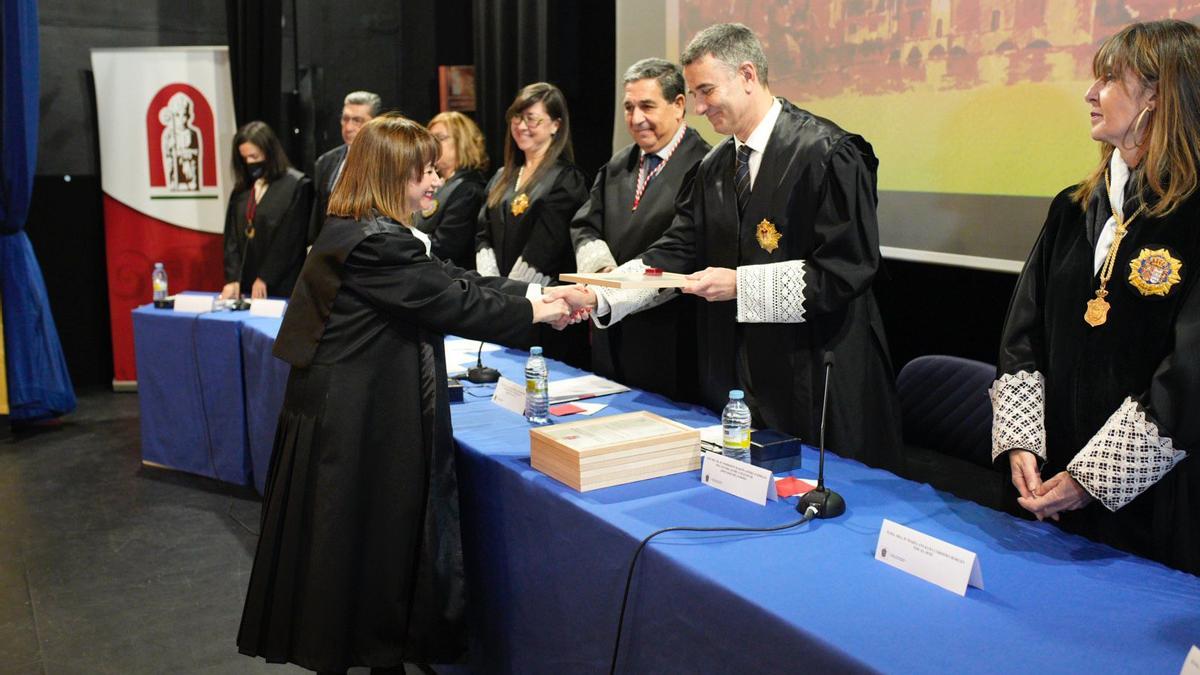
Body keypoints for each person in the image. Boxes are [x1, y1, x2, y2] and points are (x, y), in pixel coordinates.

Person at [236, 114, 570, 673]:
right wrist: (542, 308)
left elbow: (452, 279)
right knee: (357, 551)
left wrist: (542, 292)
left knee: (354, 552)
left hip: (349, 416)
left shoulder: (363, 229)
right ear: (392, 176)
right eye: (425, 173)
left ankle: (370, 649)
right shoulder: (376, 243)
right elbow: (456, 301)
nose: (436, 182)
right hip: (354, 426)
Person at [550, 24, 903, 470]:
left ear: (748, 76)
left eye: (705, 91)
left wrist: (741, 285)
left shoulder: (827, 153)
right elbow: (674, 252)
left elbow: (846, 270)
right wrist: (597, 293)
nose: (697, 108)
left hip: (818, 375)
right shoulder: (715, 167)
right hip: (741, 380)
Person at [991, 19, 1200, 574]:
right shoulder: (1072, 207)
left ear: (1157, 96)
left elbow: (1190, 377)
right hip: (1050, 492)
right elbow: (1022, 336)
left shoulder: (1194, 219)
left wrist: (1094, 479)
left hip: (1159, 508)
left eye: (1108, 78)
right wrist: (1022, 447)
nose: (1089, 93)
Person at [569, 58, 710, 400]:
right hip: (610, 337)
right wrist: (604, 272)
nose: (635, 119)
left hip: (671, 344)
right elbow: (585, 224)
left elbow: (682, 248)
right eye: (629, 107)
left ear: (679, 105)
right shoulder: (618, 164)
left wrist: (615, 289)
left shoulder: (705, 166)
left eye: (647, 106)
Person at [476, 82, 589, 366]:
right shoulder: (503, 176)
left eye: (532, 119)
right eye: (517, 117)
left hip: (545, 310)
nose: (521, 126)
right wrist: (489, 285)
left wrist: (507, 299)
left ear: (555, 125)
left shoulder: (566, 179)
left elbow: (545, 248)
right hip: (504, 305)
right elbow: (482, 232)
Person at [221, 121, 313, 300]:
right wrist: (233, 279)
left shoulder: (296, 185)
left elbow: (290, 240)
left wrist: (265, 277)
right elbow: (231, 239)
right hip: (244, 287)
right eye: (244, 158)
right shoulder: (242, 190)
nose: (249, 163)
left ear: (269, 152)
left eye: (254, 157)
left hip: (281, 286)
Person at [412, 111, 489, 268]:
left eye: (440, 138)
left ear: (463, 142)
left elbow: (446, 247)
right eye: (430, 138)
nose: (431, 144)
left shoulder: (469, 189)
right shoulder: (438, 184)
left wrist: (404, 246)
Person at [309, 90, 381, 243]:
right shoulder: (325, 162)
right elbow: (316, 214)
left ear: (375, 122)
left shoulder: (387, 162)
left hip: (369, 247)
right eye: (345, 119)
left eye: (357, 120)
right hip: (329, 247)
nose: (348, 127)